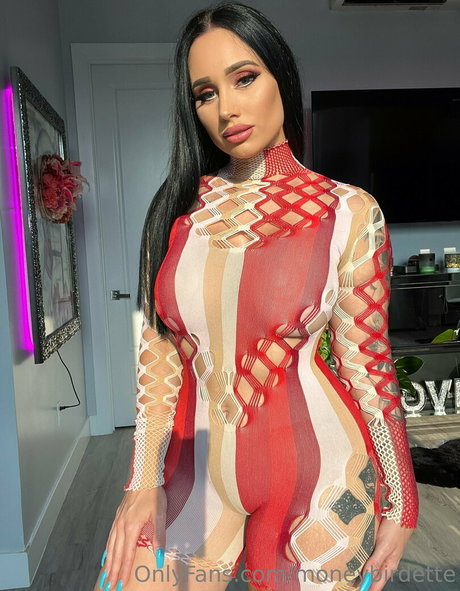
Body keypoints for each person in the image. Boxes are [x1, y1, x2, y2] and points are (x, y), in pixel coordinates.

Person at [93, 2, 419, 590]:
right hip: (194, 473)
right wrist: (142, 481)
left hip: (323, 480)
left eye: (244, 78)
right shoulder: (173, 211)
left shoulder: (350, 211)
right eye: (205, 93)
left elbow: (367, 367)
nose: (226, 108)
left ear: (280, 77)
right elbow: (158, 360)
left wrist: (401, 499)